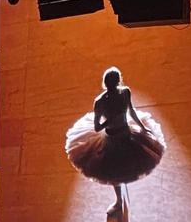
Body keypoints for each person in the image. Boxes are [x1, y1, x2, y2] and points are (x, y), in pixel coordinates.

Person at [64, 67, 166, 214]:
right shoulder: (100, 102)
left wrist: (142, 127)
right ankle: (119, 201)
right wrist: (110, 121)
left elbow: (131, 111)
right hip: (111, 139)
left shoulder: (125, 92)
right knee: (114, 171)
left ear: (117, 83)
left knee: (127, 165)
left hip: (127, 134)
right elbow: (97, 127)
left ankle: (119, 199)